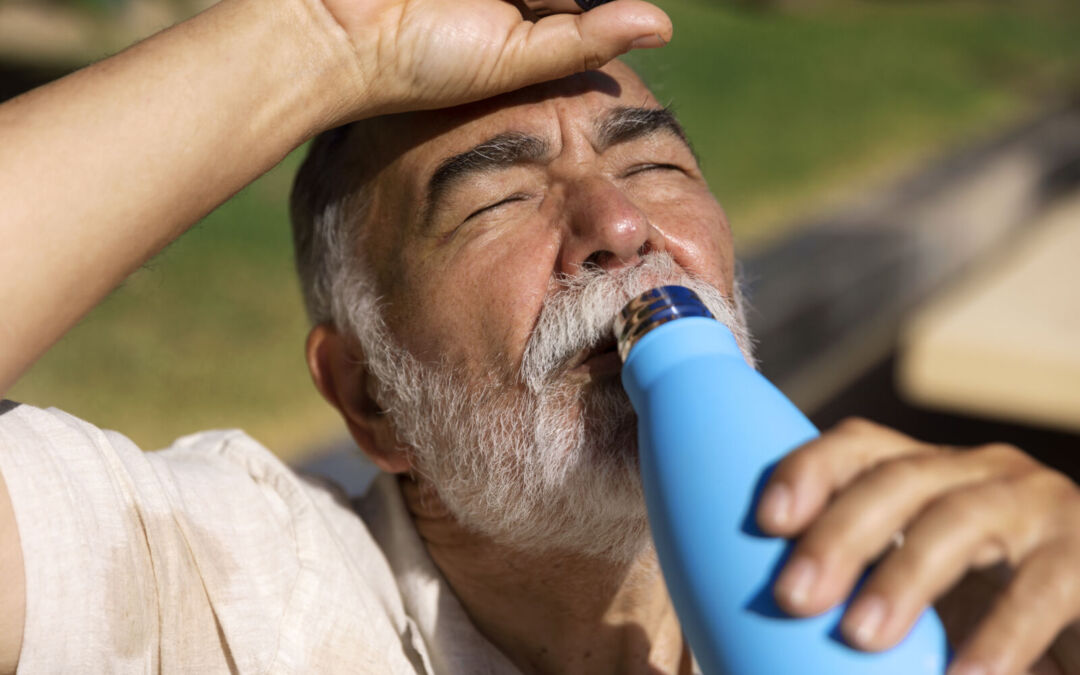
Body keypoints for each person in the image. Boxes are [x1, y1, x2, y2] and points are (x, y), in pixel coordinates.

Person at [0, 0, 1077, 672]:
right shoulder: (218, 590)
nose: (618, 227)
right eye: (495, 203)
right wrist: (324, 35)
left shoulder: (943, 594)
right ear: (370, 397)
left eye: (653, 167)